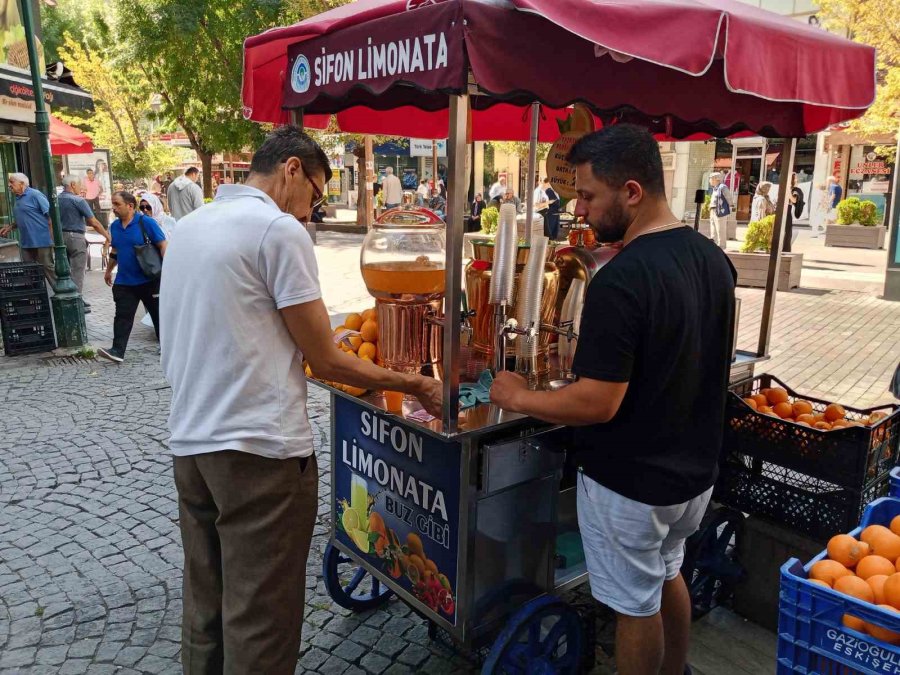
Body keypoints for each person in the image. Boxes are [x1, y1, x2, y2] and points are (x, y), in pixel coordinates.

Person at [158, 125, 442, 675]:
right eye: (315, 195)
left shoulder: (190, 227)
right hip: (260, 454)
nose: (311, 213)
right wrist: (414, 383)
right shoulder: (276, 231)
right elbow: (328, 359)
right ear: (291, 169)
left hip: (191, 447)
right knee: (261, 618)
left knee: (206, 607)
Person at [490, 124, 736, 675]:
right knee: (667, 572)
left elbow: (597, 403)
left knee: (633, 606)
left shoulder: (622, 278)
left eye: (588, 195)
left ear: (632, 191)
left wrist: (521, 395)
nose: (580, 208)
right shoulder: (712, 259)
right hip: (693, 475)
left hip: (631, 482)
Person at [97, 191, 167, 363]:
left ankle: (168, 348)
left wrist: (167, 269)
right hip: (125, 281)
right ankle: (117, 351)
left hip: (149, 279)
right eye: (113, 204)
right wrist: (108, 270)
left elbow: (163, 244)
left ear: (130, 206)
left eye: (117, 204)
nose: (113, 208)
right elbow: (115, 251)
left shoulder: (146, 222)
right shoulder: (114, 226)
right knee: (122, 316)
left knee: (159, 316)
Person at [58, 175, 111, 312]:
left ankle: (72, 299)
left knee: (65, 271)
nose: (82, 187)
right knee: (77, 270)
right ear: (73, 184)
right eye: (80, 184)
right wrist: (107, 236)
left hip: (60, 237)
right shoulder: (78, 200)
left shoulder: (56, 200)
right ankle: (76, 300)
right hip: (75, 237)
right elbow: (93, 221)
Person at [1, 174, 55, 283]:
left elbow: (50, 217)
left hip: (42, 240)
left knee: (47, 268)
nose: (9, 185)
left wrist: (51, 239)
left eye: (12, 182)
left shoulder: (35, 195)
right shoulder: (18, 198)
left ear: (22, 183)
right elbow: (24, 217)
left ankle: (61, 293)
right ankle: (37, 296)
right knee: (30, 271)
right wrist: (10, 227)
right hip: (26, 242)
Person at [708, 172, 731, 249]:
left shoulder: (722, 187)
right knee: (713, 227)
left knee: (720, 228)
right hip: (713, 209)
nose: (709, 181)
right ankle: (713, 243)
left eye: (711, 179)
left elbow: (729, 198)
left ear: (716, 179)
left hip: (720, 210)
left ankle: (722, 245)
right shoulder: (714, 188)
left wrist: (730, 207)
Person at [784, 172, 804, 253]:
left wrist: (788, 191)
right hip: (782, 209)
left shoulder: (795, 190)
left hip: (787, 210)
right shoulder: (790, 188)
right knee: (784, 231)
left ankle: (785, 249)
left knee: (787, 231)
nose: (797, 180)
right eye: (795, 179)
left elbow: (794, 200)